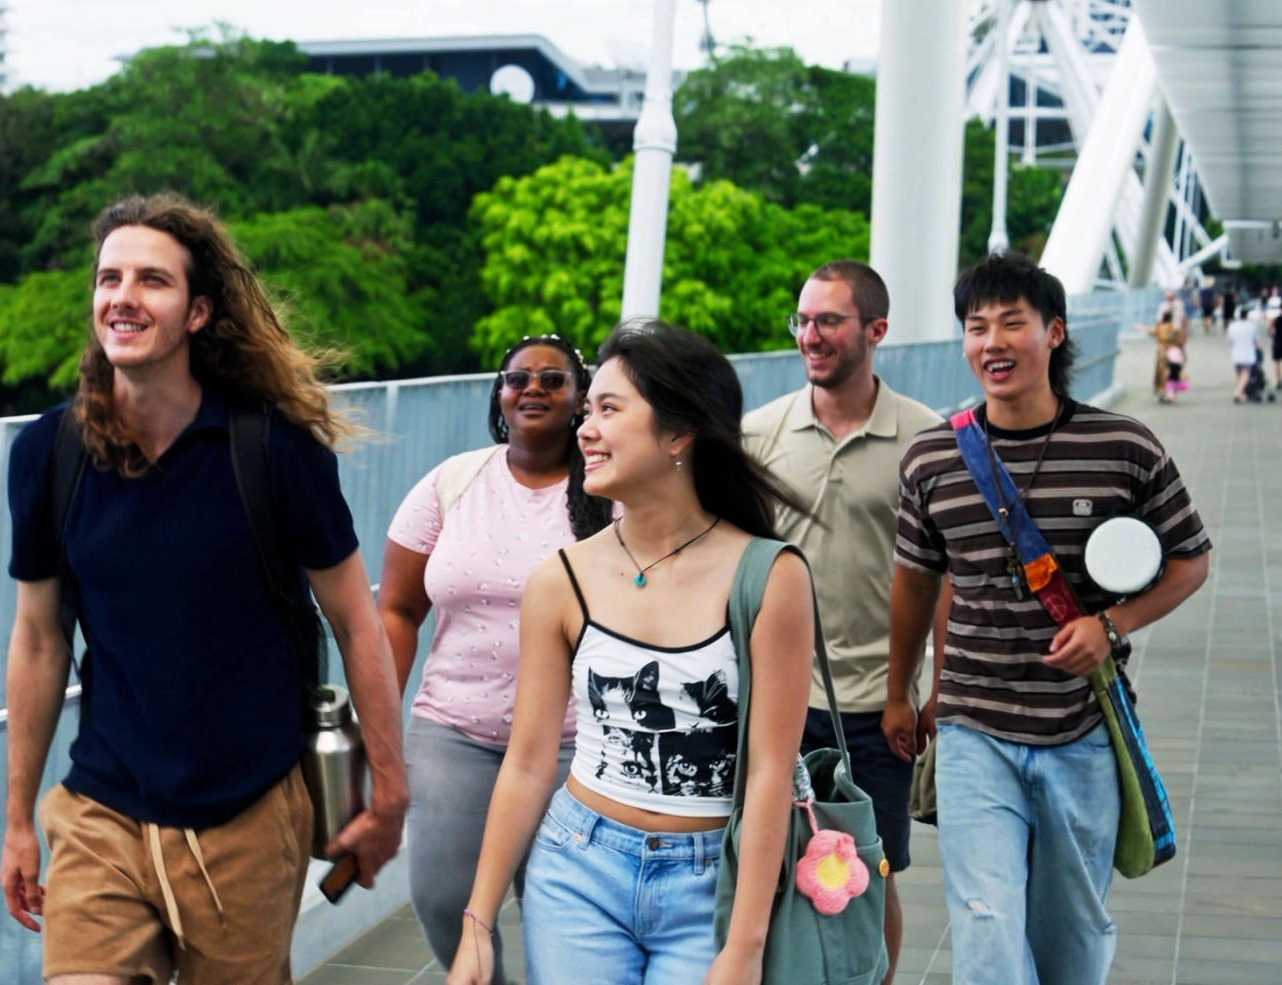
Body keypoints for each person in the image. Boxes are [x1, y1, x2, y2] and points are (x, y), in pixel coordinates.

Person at [0, 194, 408, 984]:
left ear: (197, 312)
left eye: (153, 280)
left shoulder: (273, 452)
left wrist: (387, 789)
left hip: (247, 817)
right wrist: (18, 819)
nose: (123, 295)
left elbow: (358, 622)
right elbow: (41, 638)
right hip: (101, 810)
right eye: (108, 278)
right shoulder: (50, 453)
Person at [448, 322, 815, 985]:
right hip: (576, 866)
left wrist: (744, 944)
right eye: (587, 411)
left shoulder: (770, 577)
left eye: (608, 410)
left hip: (712, 881)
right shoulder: (561, 578)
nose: (584, 429)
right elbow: (529, 762)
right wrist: (478, 919)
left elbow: (769, 773)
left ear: (678, 434)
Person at [887, 253, 1212, 985]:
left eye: (1012, 323)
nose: (991, 342)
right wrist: (898, 690)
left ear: (1055, 333)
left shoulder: (1124, 446)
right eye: (976, 327)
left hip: (1079, 730)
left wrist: (1112, 625)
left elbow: (1191, 560)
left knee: (1072, 930)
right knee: (987, 923)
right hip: (973, 728)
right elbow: (917, 583)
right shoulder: (932, 458)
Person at [379, 334, 611, 982]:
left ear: (581, 400)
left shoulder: (611, 491)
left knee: (558, 916)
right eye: (518, 378)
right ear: (499, 395)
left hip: (577, 743)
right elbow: (395, 609)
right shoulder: (451, 482)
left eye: (553, 379)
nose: (532, 388)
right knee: (443, 900)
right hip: (455, 732)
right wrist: (379, 726)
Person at [742, 259, 946, 985]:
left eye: (829, 320)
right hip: (770, 697)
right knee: (763, 860)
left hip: (874, 703)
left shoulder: (929, 438)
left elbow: (944, 577)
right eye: (803, 320)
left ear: (876, 330)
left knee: (869, 867)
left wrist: (927, 692)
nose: (810, 335)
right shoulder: (758, 434)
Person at [1228, 304, 1261, 403]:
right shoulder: (1252, 326)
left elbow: (1230, 339)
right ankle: (1238, 392)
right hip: (1248, 352)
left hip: (1236, 352)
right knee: (1246, 373)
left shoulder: (1233, 326)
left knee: (1239, 374)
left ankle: (1242, 392)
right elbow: (1256, 340)